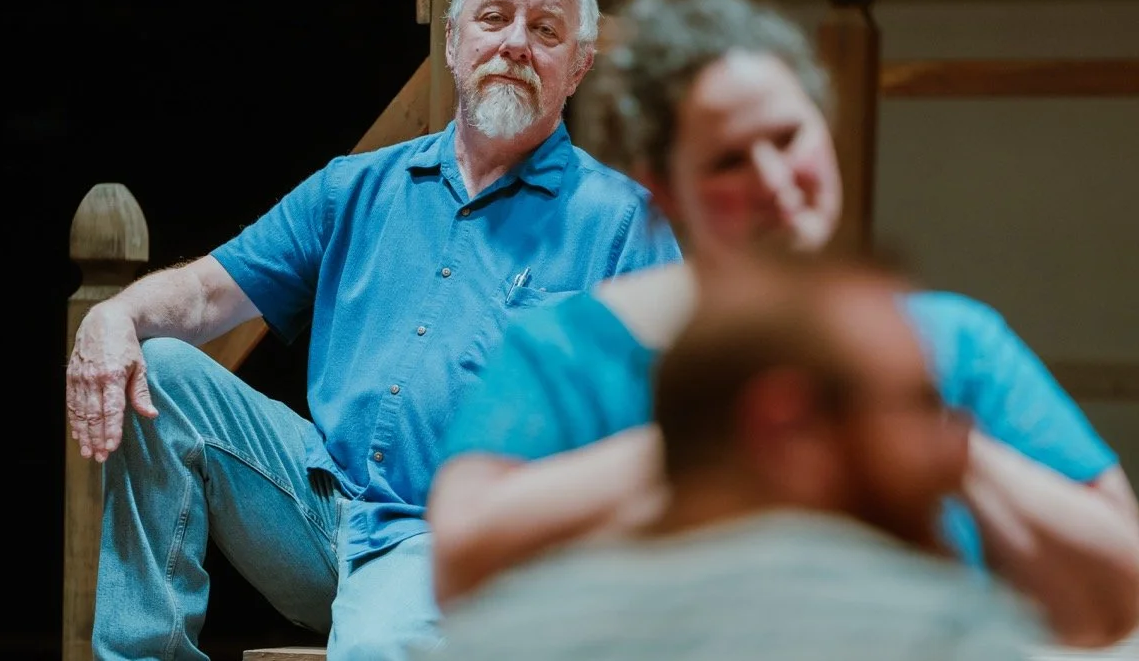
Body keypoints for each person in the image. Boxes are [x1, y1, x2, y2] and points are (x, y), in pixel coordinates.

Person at [428, 0, 1139, 648]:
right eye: (728, 161)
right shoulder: (571, 350)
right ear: (665, 190)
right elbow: (461, 566)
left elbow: (1121, 579)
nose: (773, 180)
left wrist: (917, 431)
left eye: (788, 137)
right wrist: (716, 447)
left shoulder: (947, 343)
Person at [63, 0, 682, 661]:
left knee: (381, 644)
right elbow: (204, 294)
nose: (516, 42)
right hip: (319, 509)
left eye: (545, 30)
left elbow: (665, 434)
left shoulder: (622, 224)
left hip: (459, 543)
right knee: (162, 372)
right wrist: (116, 313)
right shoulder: (354, 187)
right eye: (493, 19)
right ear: (453, 43)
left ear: (576, 67)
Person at [423, 252, 1045, 661]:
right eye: (917, 404)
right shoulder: (955, 640)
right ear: (785, 428)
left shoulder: (493, 644)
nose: (951, 445)